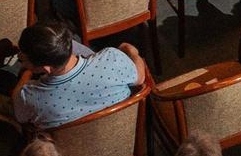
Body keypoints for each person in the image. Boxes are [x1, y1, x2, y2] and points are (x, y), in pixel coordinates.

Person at [9, 18, 146, 127]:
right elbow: (140, 78)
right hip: (119, 138)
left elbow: (20, 115)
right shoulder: (112, 59)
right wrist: (131, 51)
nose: (20, 57)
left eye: (24, 59)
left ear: (46, 69)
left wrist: (26, 72)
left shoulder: (30, 97)